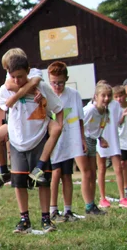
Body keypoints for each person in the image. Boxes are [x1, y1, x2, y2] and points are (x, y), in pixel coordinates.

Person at [0, 53, 63, 234]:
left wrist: (42, 100)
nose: (17, 81)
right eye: (13, 77)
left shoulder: (41, 86)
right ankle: (24, 219)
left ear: (28, 72)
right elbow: (3, 108)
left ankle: (46, 219)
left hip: (38, 137)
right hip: (18, 140)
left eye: (21, 76)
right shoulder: (5, 89)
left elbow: (57, 107)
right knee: (18, 183)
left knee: (42, 182)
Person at [0, 48, 63, 189]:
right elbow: (9, 86)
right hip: (17, 121)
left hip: (39, 118)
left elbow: (34, 81)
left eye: (7, 68)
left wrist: (29, 92)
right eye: (7, 70)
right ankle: (3, 170)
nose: (10, 76)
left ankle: (40, 166)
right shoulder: (10, 78)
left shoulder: (34, 72)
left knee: (56, 129)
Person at [46, 61, 94, 222]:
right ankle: (53, 209)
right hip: (53, 143)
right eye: (53, 82)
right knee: (55, 173)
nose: (57, 86)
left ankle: (68, 210)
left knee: (67, 175)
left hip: (70, 140)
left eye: (60, 82)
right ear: (49, 80)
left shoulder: (74, 94)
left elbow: (79, 119)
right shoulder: (46, 95)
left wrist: (81, 139)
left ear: (66, 79)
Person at [81, 82, 112, 215]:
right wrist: (83, 142)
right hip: (84, 141)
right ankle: (88, 205)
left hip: (93, 140)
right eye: (103, 95)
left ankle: (92, 205)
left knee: (93, 174)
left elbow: (99, 127)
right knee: (87, 174)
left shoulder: (105, 111)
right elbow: (80, 124)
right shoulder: (90, 110)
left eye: (109, 96)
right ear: (96, 96)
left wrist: (100, 138)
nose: (106, 98)